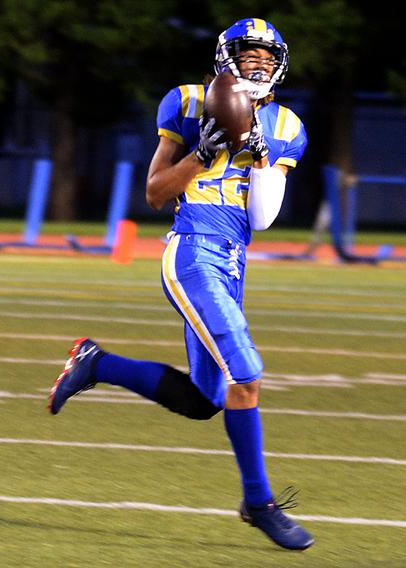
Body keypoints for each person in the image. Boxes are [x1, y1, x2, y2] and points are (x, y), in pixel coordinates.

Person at [48, 18, 314, 551]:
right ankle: (258, 502)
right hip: (192, 252)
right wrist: (202, 152)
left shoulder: (287, 125)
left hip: (234, 262)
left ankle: (96, 362)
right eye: (249, 54)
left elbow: (262, 217)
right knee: (247, 372)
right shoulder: (188, 102)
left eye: (267, 56)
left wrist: (258, 153)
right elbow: (153, 193)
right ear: (225, 56)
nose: (258, 63)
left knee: (203, 399)